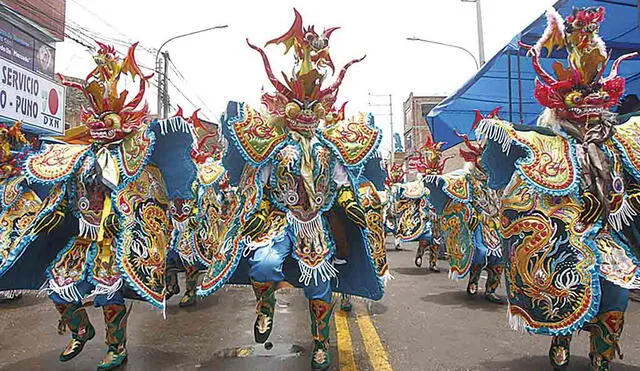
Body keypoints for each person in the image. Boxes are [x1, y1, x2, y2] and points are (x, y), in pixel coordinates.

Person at [196, 9, 389, 370]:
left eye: (311, 105)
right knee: (265, 264)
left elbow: (341, 185)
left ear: (321, 109)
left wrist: (351, 207)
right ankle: (264, 305)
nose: (304, 111)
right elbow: (258, 184)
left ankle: (319, 343)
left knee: (319, 286)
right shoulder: (274, 146)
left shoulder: (328, 149)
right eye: (297, 105)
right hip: (280, 220)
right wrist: (251, 211)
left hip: (315, 223)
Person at [3, 42, 199, 370]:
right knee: (59, 287)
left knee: (109, 293)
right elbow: (52, 188)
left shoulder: (136, 164)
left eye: (105, 118)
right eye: (93, 118)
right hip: (81, 239)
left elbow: (151, 203)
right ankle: (81, 329)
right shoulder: (76, 156)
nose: (98, 124)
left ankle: (116, 346)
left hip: (114, 240)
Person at [476, 7, 640, 370]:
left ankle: (601, 358)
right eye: (579, 105)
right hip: (563, 239)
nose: (588, 115)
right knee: (567, 295)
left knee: (615, 299)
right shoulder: (546, 145)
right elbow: (521, 198)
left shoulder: (622, 142)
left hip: (610, 238)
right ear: (562, 109)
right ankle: (562, 333)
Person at [424, 115, 504, 304]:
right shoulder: (468, 176)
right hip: (476, 222)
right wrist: (436, 179)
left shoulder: (497, 179)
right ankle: (473, 280)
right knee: (481, 254)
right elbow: (452, 182)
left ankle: (491, 290)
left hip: (496, 223)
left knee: (499, 258)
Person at [165, 111, 237, 308]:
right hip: (175, 219)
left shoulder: (210, 167)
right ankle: (171, 285)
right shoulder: (171, 167)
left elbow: (226, 192)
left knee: (190, 257)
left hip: (201, 222)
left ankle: (190, 291)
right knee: (168, 255)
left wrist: (227, 211)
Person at [393, 137, 451, 271]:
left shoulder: (440, 183)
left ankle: (433, 263)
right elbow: (410, 193)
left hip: (438, 215)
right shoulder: (421, 186)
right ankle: (420, 252)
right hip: (425, 216)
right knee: (426, 239)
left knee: (436, 242)